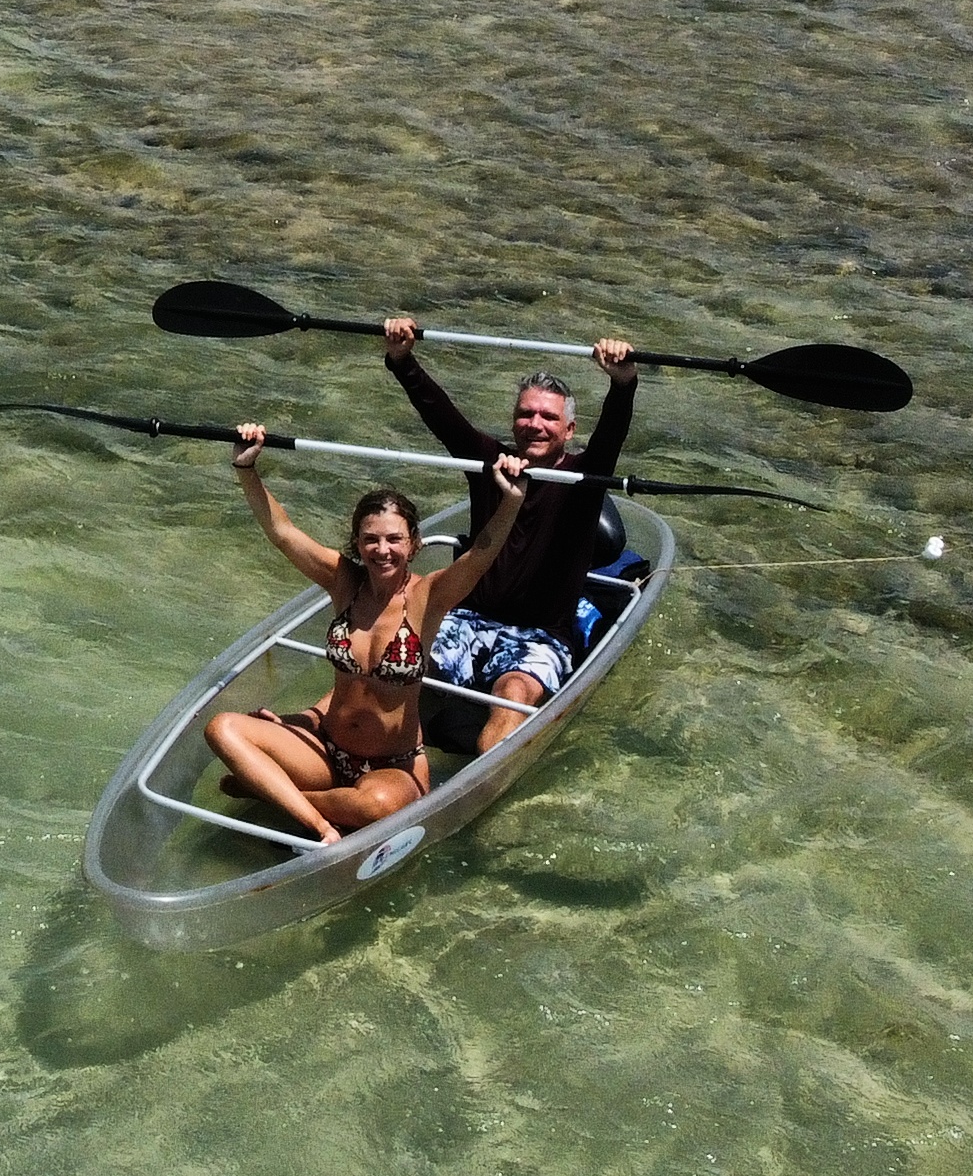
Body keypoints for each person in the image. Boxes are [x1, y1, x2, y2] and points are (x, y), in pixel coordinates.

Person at [198, 434, 528, 844]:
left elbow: (481, 554)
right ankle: (319, 821)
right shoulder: (344, 582)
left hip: (394, 764)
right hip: (327, 751)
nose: (382, 549)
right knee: (222, 728)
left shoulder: (429, 596)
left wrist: (510, 501)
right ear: (357, 543)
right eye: (371, 539)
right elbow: (282, 532)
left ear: (414, 544)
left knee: (375, 808)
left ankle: (277, 793)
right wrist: (246, 469)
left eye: (394, 539)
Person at [382, 318, 644, 753]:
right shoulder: (489, 461)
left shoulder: (585, 476)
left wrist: (623, 381)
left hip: (539, 634)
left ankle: (475, 785)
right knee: (393, 667)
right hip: (466, 621)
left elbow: (614, 429)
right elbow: (441, 416)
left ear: (569, 430)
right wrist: (401, 359)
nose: (535, 424)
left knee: (514, 696)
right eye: (526, 414)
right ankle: (329, 741)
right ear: (514, 420)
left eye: (548, 417)